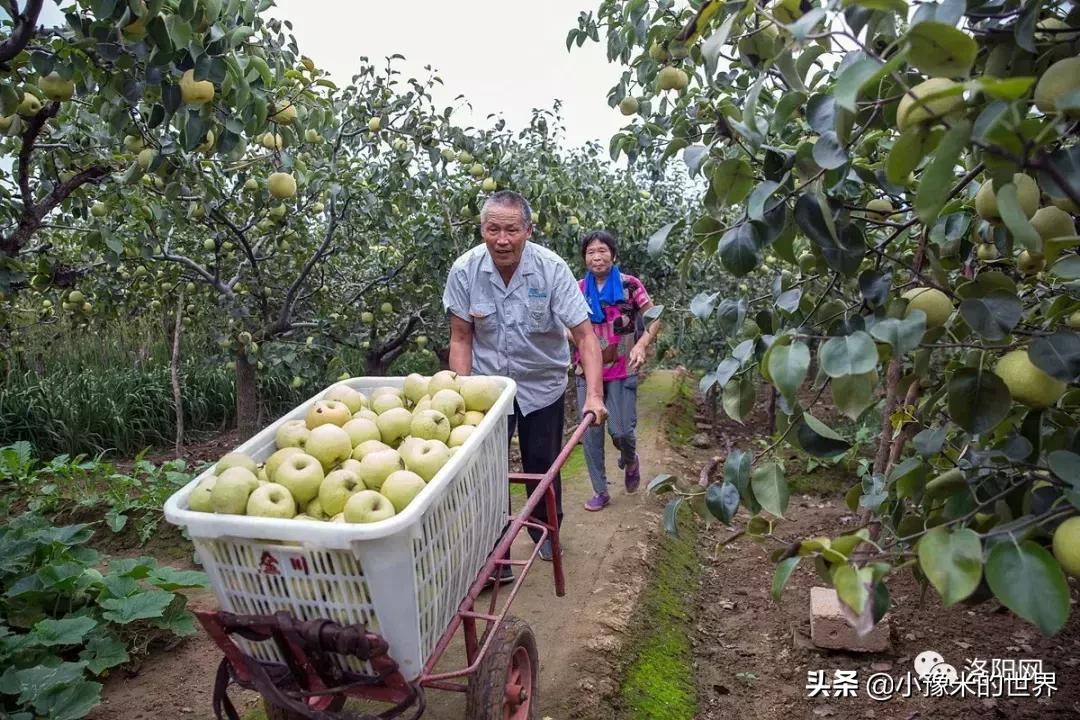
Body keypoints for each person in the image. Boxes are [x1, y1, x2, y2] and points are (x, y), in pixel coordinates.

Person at [443, 190, 608, 575]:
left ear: (528, 230)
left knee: (541, 465)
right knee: (485, 471)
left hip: (542, 385)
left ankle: (546, 534)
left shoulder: (550, 269)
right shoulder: (465, 271)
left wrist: (594, 396)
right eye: (493, 229)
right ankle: (494, 552)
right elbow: (461, 338)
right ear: (481, 229)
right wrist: (459, 395)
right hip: (489, 390)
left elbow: (585, 336)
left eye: (512, 229)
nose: (502, 239)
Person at [572, 230, 661, 512]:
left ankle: (630, 459)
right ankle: (600, 490)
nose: (597, 256)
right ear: (585, 258)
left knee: (622, 430)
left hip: (623, 367)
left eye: (602, 251)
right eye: (591, 252)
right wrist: (572, 339)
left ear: (613, 255)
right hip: (587, 372)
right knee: (591, 434)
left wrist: (642, 344)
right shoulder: (577, 289)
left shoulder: (630, 285)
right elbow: (563, 323)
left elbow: (654, 317)